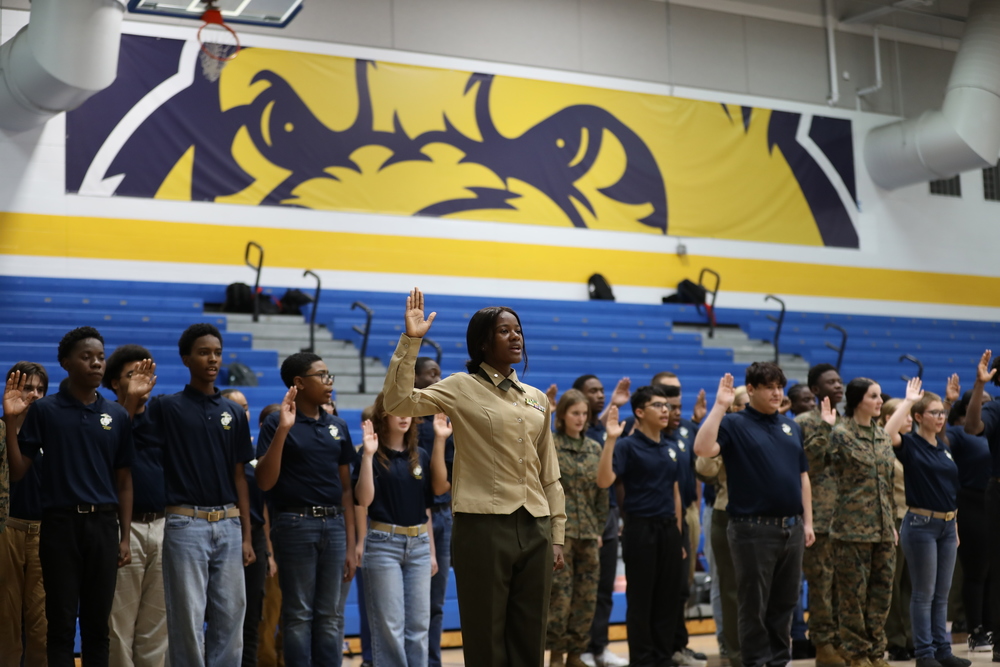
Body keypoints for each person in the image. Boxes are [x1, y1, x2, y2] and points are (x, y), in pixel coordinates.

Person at [382, 288, 566, 667]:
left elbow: (549, 471)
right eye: (504, 331)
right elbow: (398, 403)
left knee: (531, 636)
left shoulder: (536, 398)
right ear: (483, 342)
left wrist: (557, 534)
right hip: (482, 526)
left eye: (517, 330)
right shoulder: (460, 386)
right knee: (486, 637)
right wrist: (410, 342)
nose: (515, 337)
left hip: (536, 526)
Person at [3, 327, 135, 665]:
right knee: (59, 625)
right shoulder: (46, 411)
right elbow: (18, 472)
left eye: (101, 358)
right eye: (86, 357)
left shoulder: (117, 415)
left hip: (104, 525)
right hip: (59, 526)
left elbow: (124, 481)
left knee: (97, 626)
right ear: (66, 362)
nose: (96, 363)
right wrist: (11, 424)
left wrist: (124, 536)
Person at [146, 322, 255, 666]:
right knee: (187, 617)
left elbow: (240, 476)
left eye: (218, 352)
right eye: (204, 352)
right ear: (186, 358)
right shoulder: (166, 407)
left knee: (231, 615)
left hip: (229, 522)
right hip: (184, 522)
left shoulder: (234, 412)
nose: (213, 359)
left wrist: (247, 534)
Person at [694, 364, 815, 667]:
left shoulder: (791, 426)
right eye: (769, 387)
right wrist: (720, 406)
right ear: (750, 389)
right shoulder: (735, 423)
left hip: (793, 527)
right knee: (754, 605)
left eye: (779, 387)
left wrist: (808, 522)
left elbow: (803, 477)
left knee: (785, 603)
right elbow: (702, 447)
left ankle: (779, 660)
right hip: (752, 528)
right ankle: (755, 661)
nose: (777, 393)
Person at [256, 353, 358, 667]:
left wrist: (351, 544)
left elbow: (345, 489)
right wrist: (284, 430)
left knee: (329, 615)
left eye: (330, 376)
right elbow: (264, 481)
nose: (329, 382)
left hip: (334, 525)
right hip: (294, 524)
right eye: (322, 375)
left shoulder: (337, 425)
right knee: (298, 615)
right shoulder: (276, 422)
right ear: (298, 383)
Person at [885, 379, 969, 667]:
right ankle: (924, 654)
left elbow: (949, 489)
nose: (941, 417)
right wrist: (908, 401)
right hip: (920, 525)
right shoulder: (909, 444)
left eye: (942, 413)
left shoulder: (943, 447)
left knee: (941, 594)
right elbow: (886, 433)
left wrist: (954, 524)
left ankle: (942, 651)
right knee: (923, 594)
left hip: (947, 526)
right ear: (918, 417)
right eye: (934, 413)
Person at [597, 385, 681, 667]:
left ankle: (663, 656)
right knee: (641, 598)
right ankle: (643, 660)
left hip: (669, 529)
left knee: (668, 597)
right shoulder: (627, 445)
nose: (665, 410)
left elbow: (675, 492)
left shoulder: (670, 448)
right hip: (640, 529)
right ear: (640, 412)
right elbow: (604, 481)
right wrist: (610, 440)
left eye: (667, 405)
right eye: (658, 405)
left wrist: (678, 534)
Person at [355, 392, 440, 667]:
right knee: (390, 627)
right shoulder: (370, 454)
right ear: (384, 415)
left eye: (408, 411)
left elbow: (427, 508)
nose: (404, 416)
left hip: (419, 544)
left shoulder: (421, 455)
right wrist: (367, 457)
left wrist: (432, 553)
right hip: (382, 544)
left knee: (418, 626)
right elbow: (363, 500)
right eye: (397, 410)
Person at [104, 345, 169, 667]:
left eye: (146, 374)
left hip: (163, 524)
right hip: (121, 528)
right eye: (132, 375)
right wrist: (129, 402)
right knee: (118, 624)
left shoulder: (162, 417)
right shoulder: (105, 415)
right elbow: (115, 449)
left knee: (157, 627)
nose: (142, 381)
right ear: (115, 382)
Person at [828, 378, 896, 667]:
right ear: (858, 400)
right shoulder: (841, 434)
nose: (880, 401)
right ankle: (856, 653)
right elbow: (821, 469)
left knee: (881, 592)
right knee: (852, 596)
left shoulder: (881, 435)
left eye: (880, 395)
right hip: (851, 528)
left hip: (883, 528)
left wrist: (891, 524)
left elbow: (888, 483)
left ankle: (875, 651)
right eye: (874, 396)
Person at [547, 389, 609, 667]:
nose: (581, 418)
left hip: (588, 534)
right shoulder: (551, 445)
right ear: (562, 416)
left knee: (586, 598)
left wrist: (598, 529)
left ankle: (575, 654)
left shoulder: (594, 448)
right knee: (559, 597)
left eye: (584, 414)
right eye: (575, 413)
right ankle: (557, 654)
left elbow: (601, 495)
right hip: (561, 535)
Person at [572, 374, 630, 667]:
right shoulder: (577, 431)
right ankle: (578, 648)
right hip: (579, 520)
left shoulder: (600, 429)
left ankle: (600, 647)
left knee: (604, 587)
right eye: (591, 391)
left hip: (607, 514)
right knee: (581, 589)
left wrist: (613, 405)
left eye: (600, 391)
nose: (598, 395)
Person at [220, 390, 278, 667]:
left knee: (252, 613)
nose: (242, 412)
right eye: (235, 406)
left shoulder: (257, 456)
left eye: (245, 407)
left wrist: (267, 550)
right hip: (221, 530)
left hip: (254, 534)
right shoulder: (215, 450)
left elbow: (263, 507)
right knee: (221, 613)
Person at [796, 363, 845, 667]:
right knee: (821, 585)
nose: (838, 386)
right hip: (819, 518)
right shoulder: (802, 422)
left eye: (840, 381)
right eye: (831, 382)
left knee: (846, 585)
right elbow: (805, 467)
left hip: (848, 519)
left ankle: (842, 639)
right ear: (815, 390)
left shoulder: (850, 421)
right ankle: (823, 644)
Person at [0, 361, 48, 666]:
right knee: (5, 617)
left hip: (46, 532)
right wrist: (11, 422)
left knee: (42, 621)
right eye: (26, 387)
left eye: (39, 389)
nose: (33, 394)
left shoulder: (53, 432)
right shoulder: (1, 430)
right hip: (7, 530)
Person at [413, 357, 455, 667]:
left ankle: (433, 661)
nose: (438, 378)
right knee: (410, 602)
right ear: (414, 379)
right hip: (412, 518)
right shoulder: (404, 417)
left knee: (436, 601)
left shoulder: (446, 420)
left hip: (443, 513)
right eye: (432, 373)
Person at [946, 386, 993, 651]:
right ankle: (974, 629)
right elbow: (936, 440)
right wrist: (945, 403)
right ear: (967, 408)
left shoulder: (994, 431)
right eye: (980, 401)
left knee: (993, 572)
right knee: (977, 571)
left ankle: (991, 626)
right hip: (971, 502)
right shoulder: (959, 433)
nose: (986, 406)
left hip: (993, 501)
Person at [879, 399, 914, 662]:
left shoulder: (914, 445)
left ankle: (913, 637)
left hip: (916, 520)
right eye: (904, 414)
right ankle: (896, 639)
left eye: (913, 414)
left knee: (912, 585)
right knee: (892, 584)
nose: (910, 418)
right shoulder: (884, 447)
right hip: (895, 519)